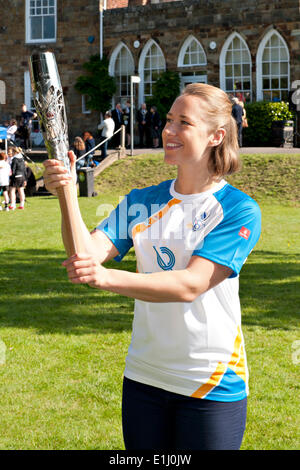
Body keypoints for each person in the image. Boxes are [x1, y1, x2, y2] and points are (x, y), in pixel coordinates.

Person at [43, 83, 261, 450]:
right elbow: (86, 255)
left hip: (210, 382)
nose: (168, 130)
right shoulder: (141, 201)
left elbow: (191, 284)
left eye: (183, 123)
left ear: (216, 136)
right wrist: (66, 191)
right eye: (169, 120)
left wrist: (107, 278)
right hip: (144, 376)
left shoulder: (238, 210)